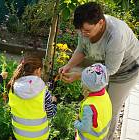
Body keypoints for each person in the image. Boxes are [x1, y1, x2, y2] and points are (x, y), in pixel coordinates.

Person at [59, 2, 139, 139]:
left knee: (110, 109)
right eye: (80, 31)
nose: (83, 34)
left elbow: (110, 70)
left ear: (101, 23)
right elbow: (82, 50)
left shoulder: (116, 36)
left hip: (126, 71)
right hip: (103, 66)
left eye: (87, 31)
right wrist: (68, 66)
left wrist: (80, 76)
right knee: (96, 103)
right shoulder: (85, 28)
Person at [7, 53, 57, 140]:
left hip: (19, 135)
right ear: (38, 70)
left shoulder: (13, 86)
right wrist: (54, 102)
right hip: (40, 136)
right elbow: (50, 113)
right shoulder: (43, 91)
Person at [74, 63, 112, 140]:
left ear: (87, 87)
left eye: (83, 81)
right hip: (101, 135)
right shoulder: (104, 94)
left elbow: (85, 128)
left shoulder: (89, 106)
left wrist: (75, 123)